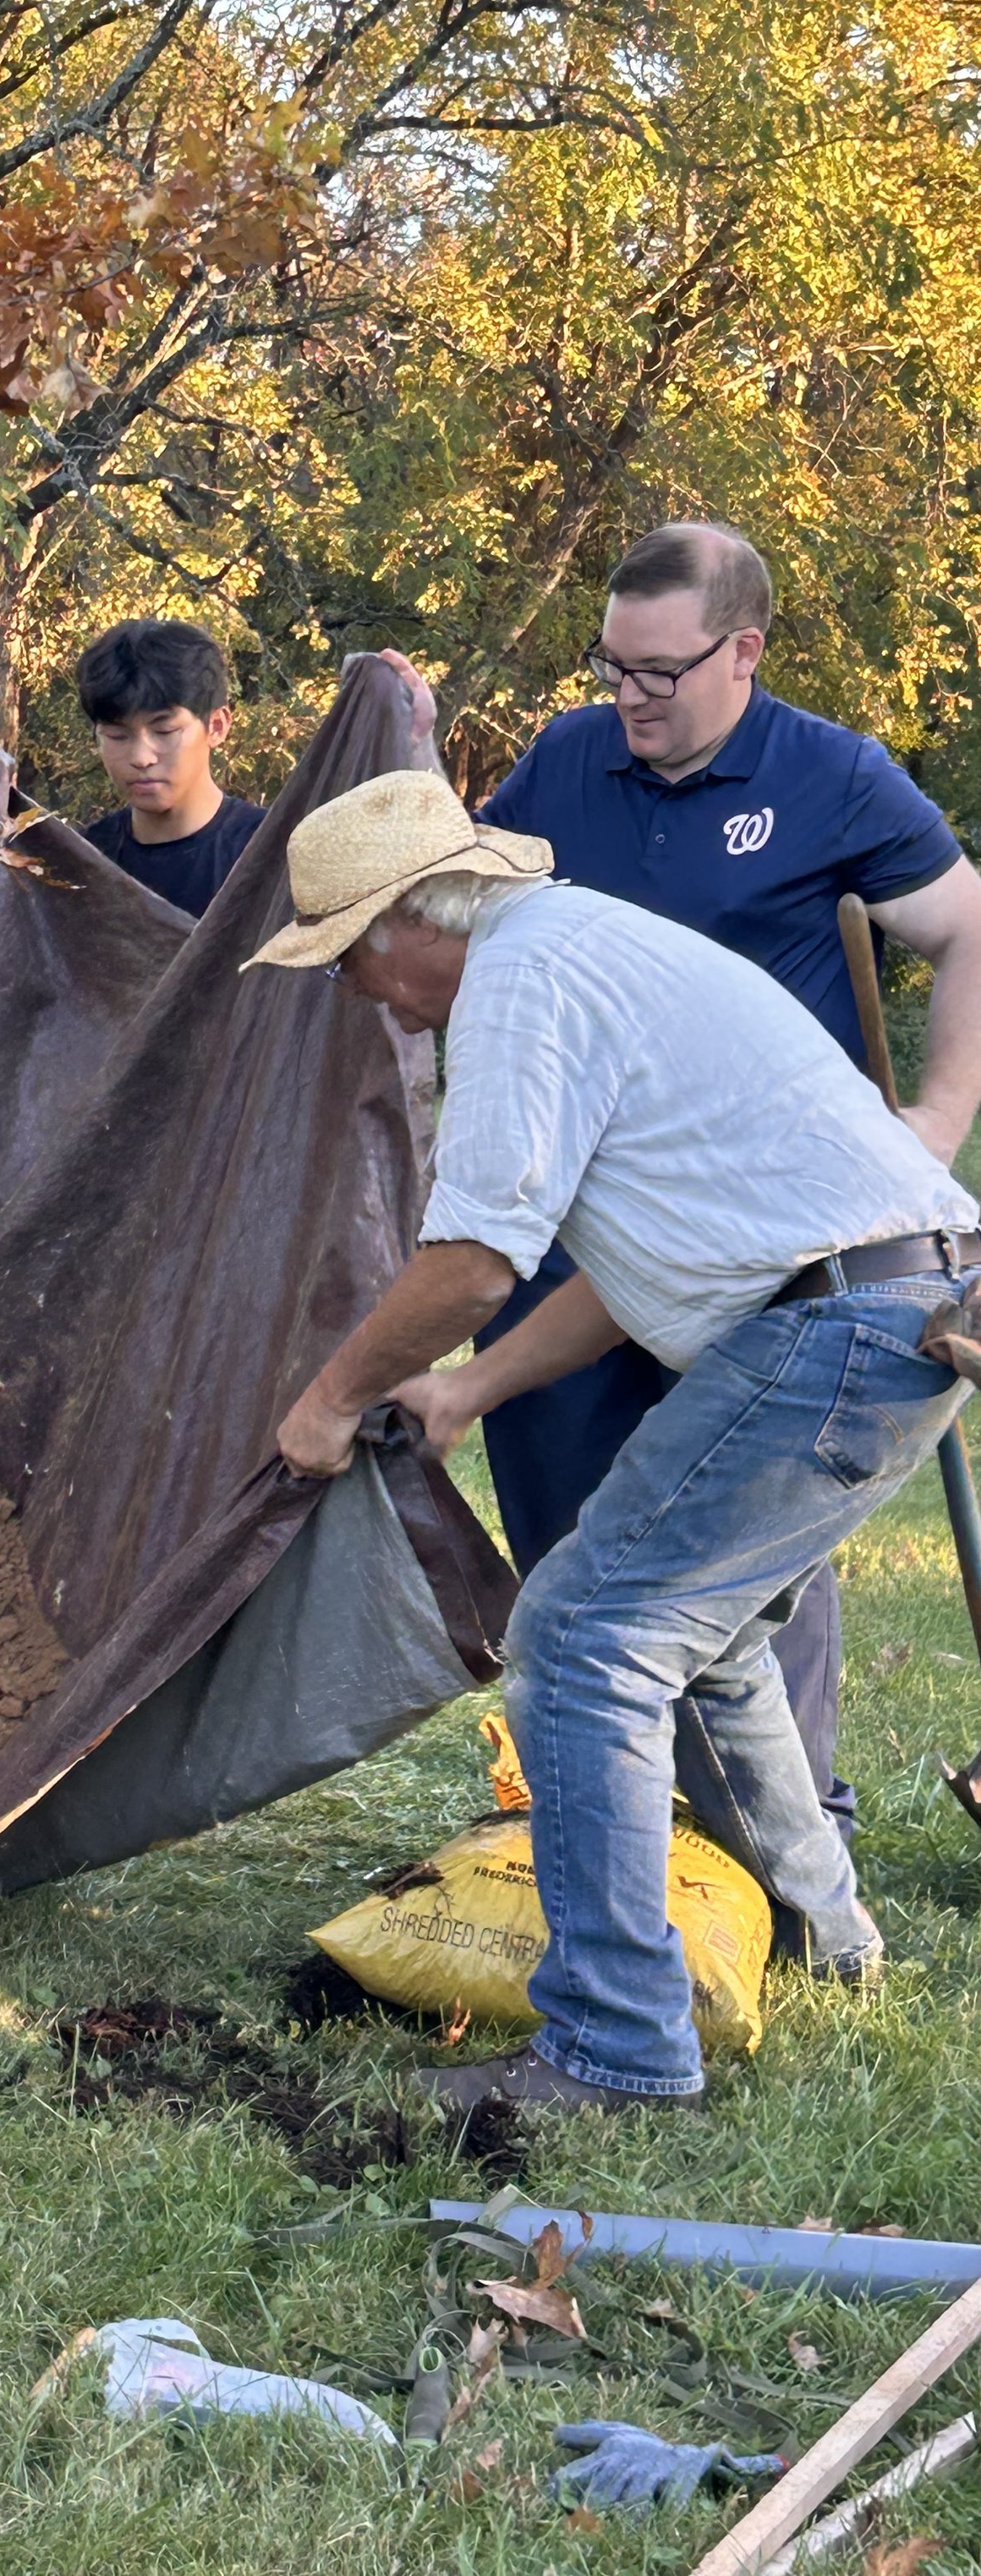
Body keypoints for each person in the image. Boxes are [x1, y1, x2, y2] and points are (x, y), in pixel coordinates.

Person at [258, 768, 978, 2118]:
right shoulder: (582, 949)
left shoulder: (523, 983)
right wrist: (470, 1392)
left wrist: (329, 1395)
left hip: (839, 1323)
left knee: (586, 1638)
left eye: (351, 957)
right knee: (705, 1641)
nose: (359, 992)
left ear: (421, 917)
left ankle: (619, 2049)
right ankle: (833, 1950)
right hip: (889, 1304)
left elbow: (474, 1260)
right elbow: (621, 1262)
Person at [416, 522, 981, 1843]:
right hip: (582, 1212)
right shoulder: (566, 757)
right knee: (568, 1525)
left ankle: (793, 1831)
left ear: (745, 650)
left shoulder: (830, 773)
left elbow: (964, 926)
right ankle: (613, 1814)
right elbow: (470, 915)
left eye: (659, 673)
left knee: (739, 1550)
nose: (628, 698)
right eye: (613, 666)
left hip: (757, 1238)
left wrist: (938, 1120)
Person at [78, 618, 264, 918]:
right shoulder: (83, 861)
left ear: (216, 726)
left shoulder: (267, 854)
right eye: (117, 735)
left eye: (164, 731)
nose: (141, 757)